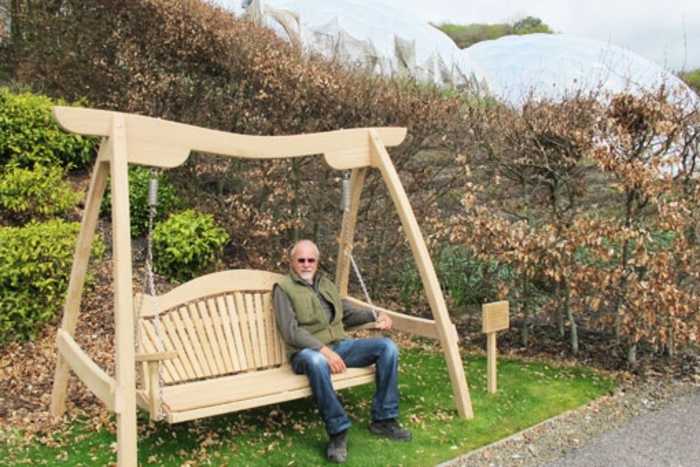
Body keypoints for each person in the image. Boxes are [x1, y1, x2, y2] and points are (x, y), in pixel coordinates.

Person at [273, 239, 411, 463]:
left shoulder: (326, 284)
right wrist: (324, 351)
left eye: (311, 260)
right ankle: (338, 432)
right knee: (317, 362)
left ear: (317, 262)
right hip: (306, 353)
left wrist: (376, 316)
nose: (306, 264)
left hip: (340, 346)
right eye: (301, 260)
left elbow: (346, 313)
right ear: (292, 262)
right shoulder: (284, 288)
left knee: (387, 347)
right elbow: (291, 332)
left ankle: (384, 420)